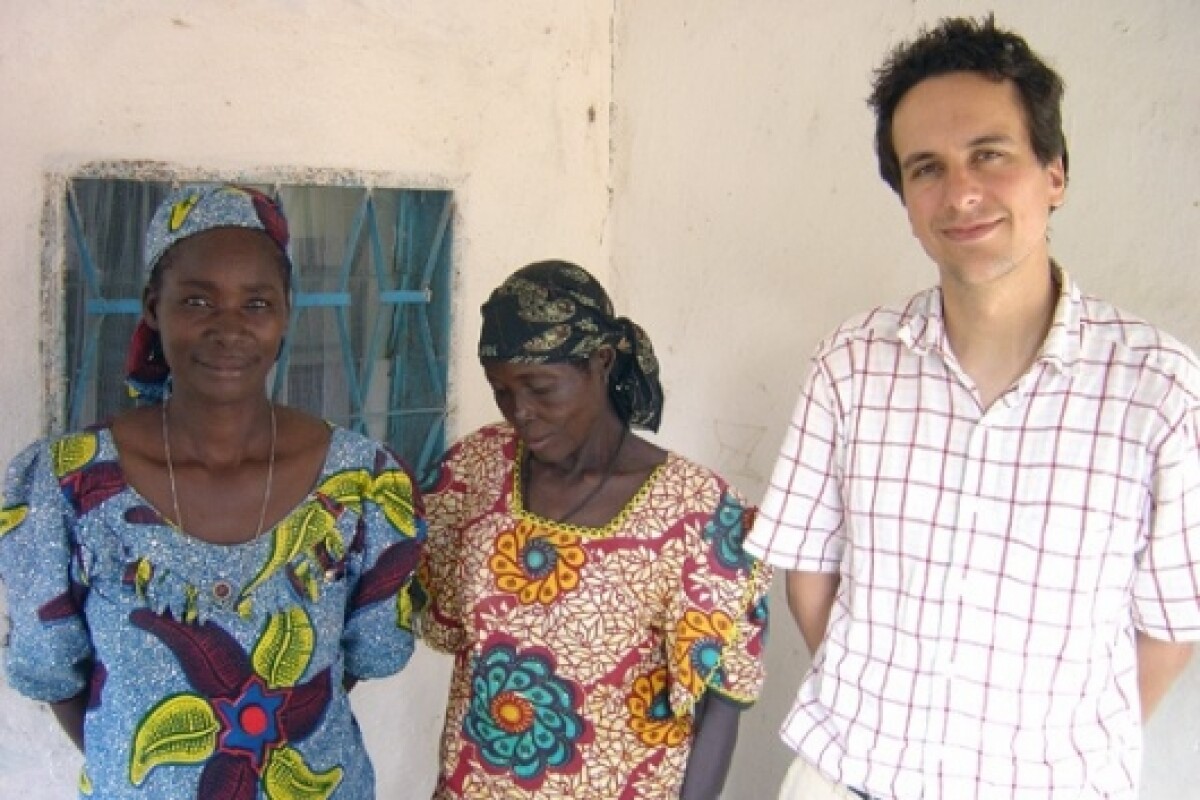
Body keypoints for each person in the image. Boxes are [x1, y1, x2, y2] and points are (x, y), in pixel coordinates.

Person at [745, 15, 1198, 800]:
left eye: (990, 155)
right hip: (848, 779)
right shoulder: (851, 364)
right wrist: (886, 716)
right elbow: (809, 577)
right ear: (905, 197)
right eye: (927, 168)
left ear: (1054, 173)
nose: (961, 193)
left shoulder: (1159, 390)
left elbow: (1169, 628)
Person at [0, 184, 427, 799]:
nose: (229, 329)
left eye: (256, 303)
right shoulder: (66, 484)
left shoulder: (362, 484)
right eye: (197, 300)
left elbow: (361, 656)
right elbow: (53, 668)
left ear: (286, 312)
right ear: (153, 307)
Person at [417, 260, 771, 799]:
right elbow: (426, 602)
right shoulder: (476, 470)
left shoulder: (699, 515)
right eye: (501, 391)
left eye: (540, 388)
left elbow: (719, 707)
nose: (521, 412)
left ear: (601, 362)